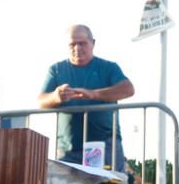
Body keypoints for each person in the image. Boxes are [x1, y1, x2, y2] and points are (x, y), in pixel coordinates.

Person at [39, 24, 134, 172]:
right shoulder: (56, 70)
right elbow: (41, 101)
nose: (77, 48)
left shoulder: (109, 67)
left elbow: (128, 89)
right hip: (68, 149)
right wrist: (56, 96)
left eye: (82, 43)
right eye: (72, 44)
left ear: (93, 43)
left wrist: (94, 94)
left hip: (105, 146)